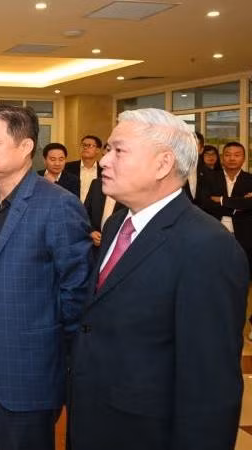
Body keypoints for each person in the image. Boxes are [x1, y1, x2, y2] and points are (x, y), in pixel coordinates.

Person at [68, 109, 248, 450]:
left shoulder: (207, 246)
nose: (104, 161)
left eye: (118, 151)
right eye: (108, 149)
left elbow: (209, 384)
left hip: (147, 433)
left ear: (163, 164)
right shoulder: (116, 225)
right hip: (95, 420)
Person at [0, 105, 92, 450]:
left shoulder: (57, 205)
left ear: (25, 147)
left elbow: (75, 294)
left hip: (26, 368)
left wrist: (59, 362)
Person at [203, 142, 252, 278]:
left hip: (244, 235)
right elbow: (205, 204)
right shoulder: (209, 178)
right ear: (222, 157)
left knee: (241, 276)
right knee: (214, 274)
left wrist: (222, 200)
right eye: (228, 155)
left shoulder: (250, 180)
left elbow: (250, 205)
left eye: (237, 155)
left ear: (244, 158)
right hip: (214, 231)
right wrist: (240, 205)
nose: (232, 158)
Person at [83, 177, 127, 248]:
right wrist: (91, 232)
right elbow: (84, 213)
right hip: (94, 247)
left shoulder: (129, 188)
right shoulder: (97, 184)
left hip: (117, 246)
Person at [64, 135, 103, 202]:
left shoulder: (104, 170)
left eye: (89, 145)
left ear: (97, 150)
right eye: (83, 145)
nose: (85, 148)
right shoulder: (67, 167)